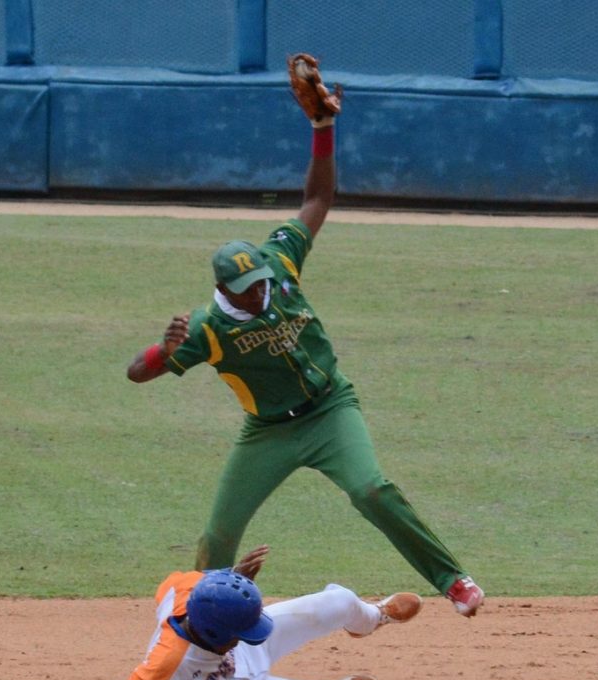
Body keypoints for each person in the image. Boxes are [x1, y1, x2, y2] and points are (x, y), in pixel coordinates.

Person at [127, 54, 484, 618]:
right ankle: (190, 628)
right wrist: (162, 351)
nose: (259, 290)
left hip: (330, 407)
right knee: (219, 535)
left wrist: (323, 129)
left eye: (260, 281)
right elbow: (137, 373)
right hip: (267, 432)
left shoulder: (279, 262)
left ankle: (453, 579)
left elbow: (316, 201)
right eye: (246, 287)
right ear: (225, 289)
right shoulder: (207, 328)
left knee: (370, 489)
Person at [102, 545, 423, 680]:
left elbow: (211, 589)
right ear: (216, 634)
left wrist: (230, 576)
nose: (249, 636)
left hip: (237, 654)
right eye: (241, 634)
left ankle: (372, 617)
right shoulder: (171, 665)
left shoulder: (186, 590)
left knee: (341, 601)